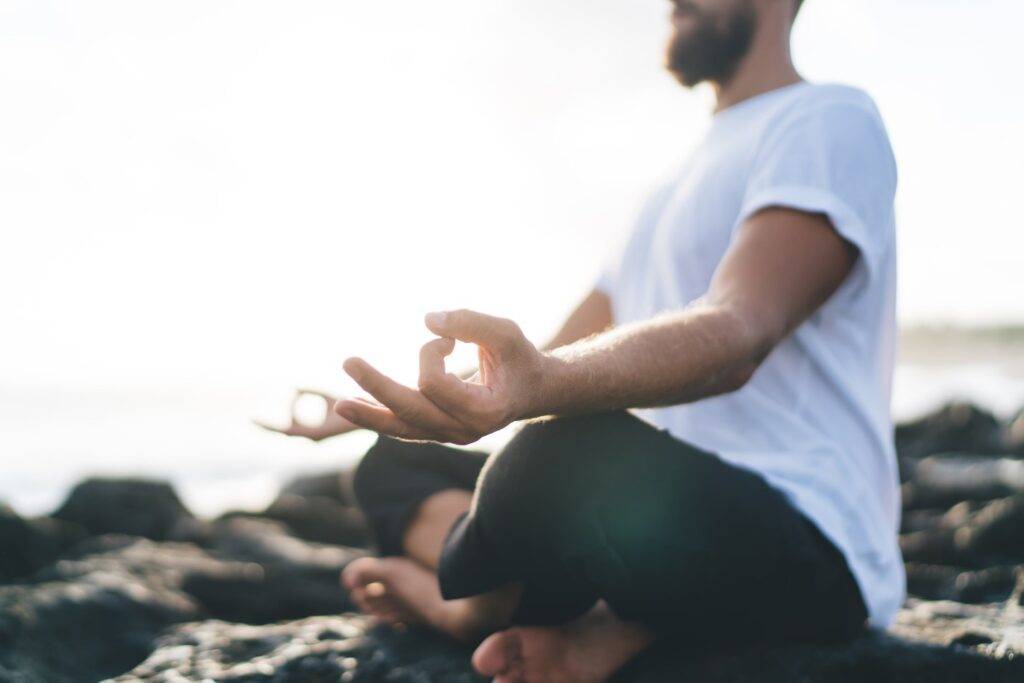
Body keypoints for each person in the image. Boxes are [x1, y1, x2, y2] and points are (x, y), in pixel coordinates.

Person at [262, 0, 905, 679]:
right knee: (393, 461)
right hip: (662, 525)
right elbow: (549, 359)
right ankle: (585, 616)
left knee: (557, 456)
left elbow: (739, 329)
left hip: (811, 542)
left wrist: (536, 390)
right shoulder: (671, 183)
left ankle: (472, 608)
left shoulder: (828, 119)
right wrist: (397, 402)